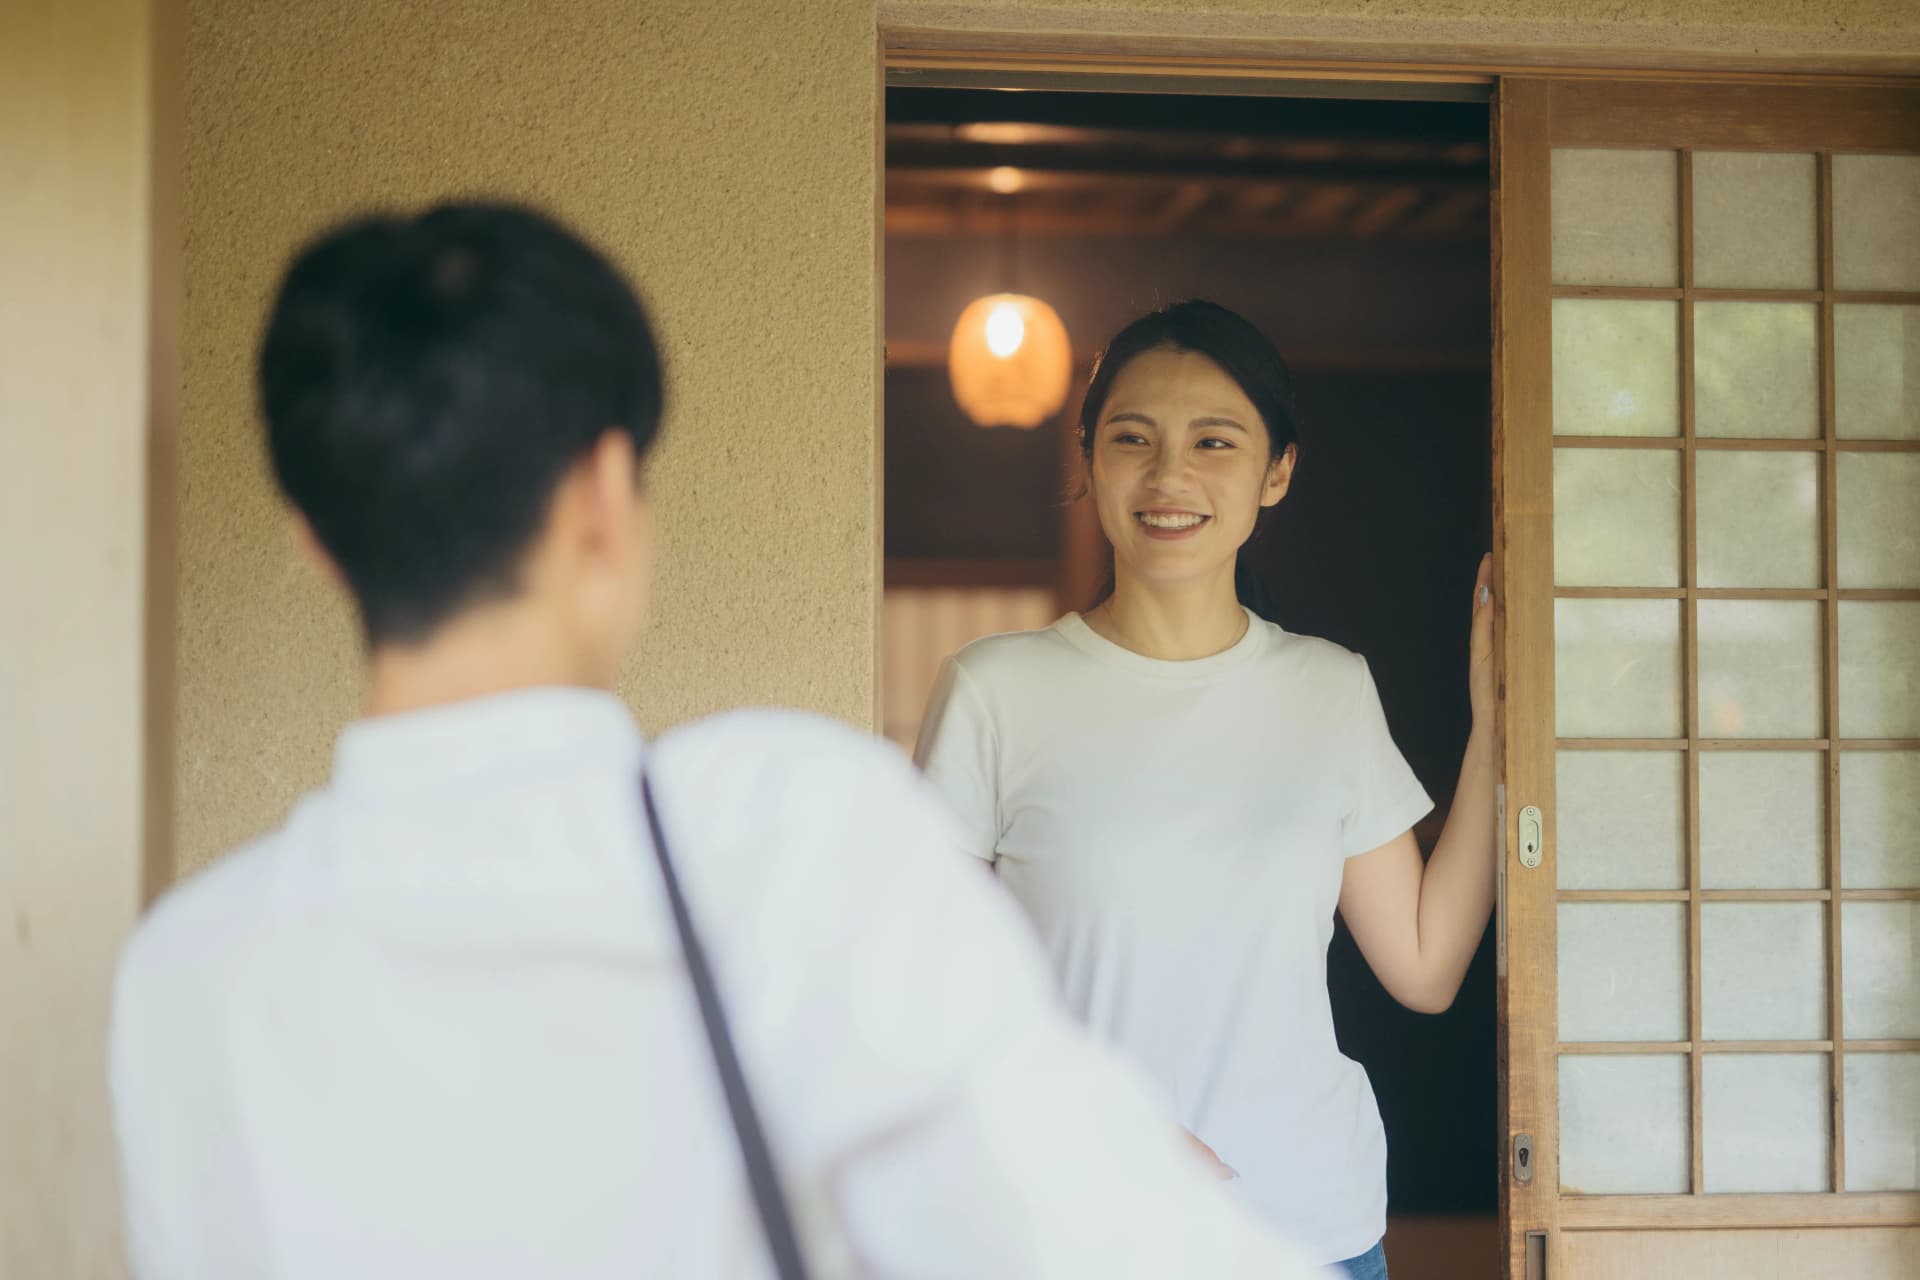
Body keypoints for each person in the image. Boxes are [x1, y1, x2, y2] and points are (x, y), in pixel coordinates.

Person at [108, 207, 1333, 1279]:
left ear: (315, 537)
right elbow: (1101, 1237)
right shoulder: (787, 831)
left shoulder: (189, 972)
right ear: (605, 499)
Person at [914, 300, 1496, 1280]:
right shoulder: (995, 689)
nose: (1169, 474)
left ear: (1277, 471)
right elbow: (923, 988)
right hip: (1074, 1223)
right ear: (1089, 456)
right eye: (1133, 438)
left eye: (1213, 441)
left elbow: (1427, 965)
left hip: (1307, 1226)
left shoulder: (1329, 688)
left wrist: (1493, 728)